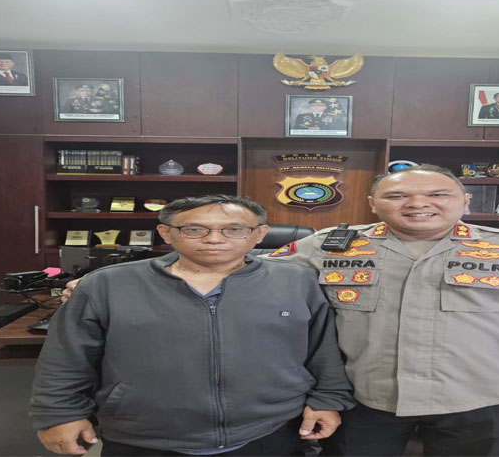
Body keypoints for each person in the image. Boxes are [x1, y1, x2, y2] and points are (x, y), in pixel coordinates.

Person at [63, 166, 499, 456]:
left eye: (438, 195)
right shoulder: (330, 245)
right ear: (374, 203)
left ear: (464, 202)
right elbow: (235, 258)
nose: (418, 203)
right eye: (397, 196)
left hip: (481, 397)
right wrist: (114, 278)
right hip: (366, 397)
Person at [32, 195, 354, 456]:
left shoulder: (296, 281)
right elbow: (66, 358)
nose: (214, 238)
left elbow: (322, 349)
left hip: (270, 432)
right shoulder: (107, 285)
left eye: (234, 229)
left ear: (259, 234)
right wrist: (58, 415)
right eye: (194, 229)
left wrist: (327, 401)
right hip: (144, 437)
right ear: (166, 233)